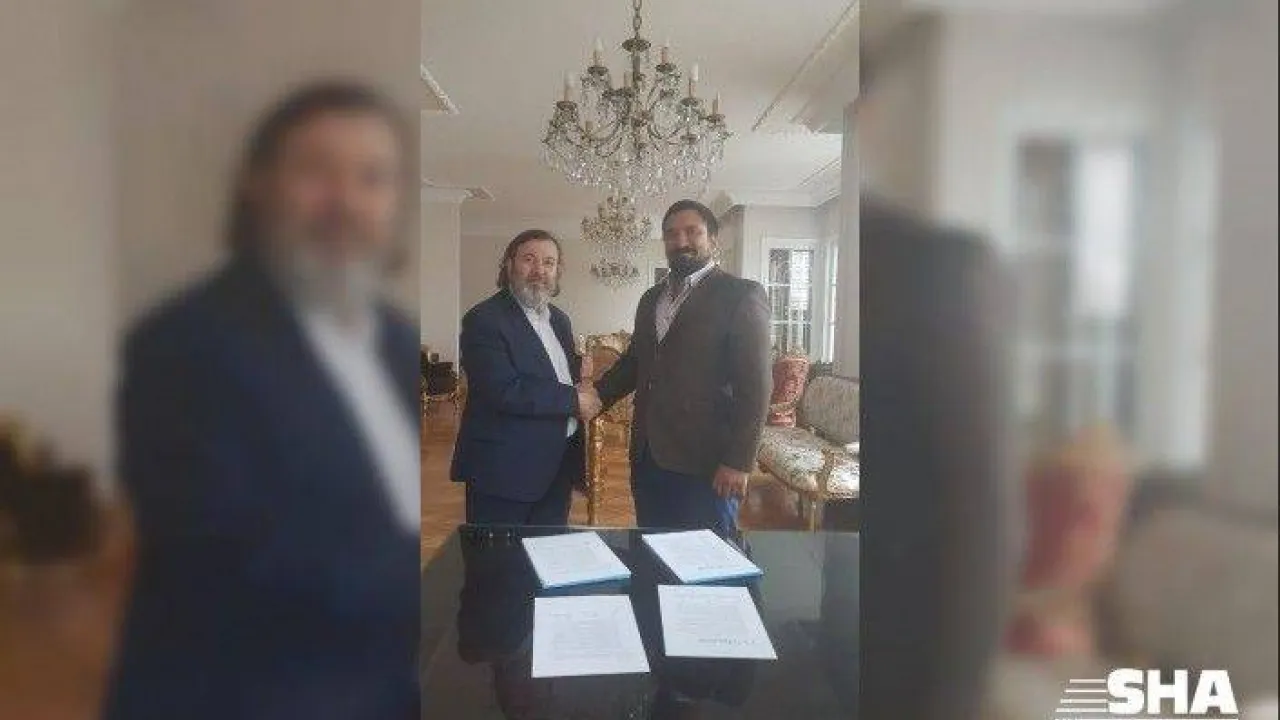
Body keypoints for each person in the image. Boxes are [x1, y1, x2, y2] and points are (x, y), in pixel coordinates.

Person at [106, 81, 419, 720]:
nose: (345, 201)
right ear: (257, 185)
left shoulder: (393, 337)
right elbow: (228, 567)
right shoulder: (183, 344)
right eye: (317, 171)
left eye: (372, 178)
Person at [593, 200, 772, 536]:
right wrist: (595, 396)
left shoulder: (741, 295)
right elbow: (636, 361)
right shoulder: (651, 298)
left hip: (707, 462)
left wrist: (738, 461)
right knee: (653, 546)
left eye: (692, 232)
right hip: (648, 455)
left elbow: (756, 386)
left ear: (713, 239)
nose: (681, 241)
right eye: (671, 234)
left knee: (706, 556)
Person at [451, 230, 597, 526]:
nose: (539, 270)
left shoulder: (560, 320)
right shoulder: (483, 319)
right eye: (529, 259)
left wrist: (584, 373)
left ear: (557, 271)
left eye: (549, 262)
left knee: (548, 548)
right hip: (505, 471)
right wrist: (575, 400)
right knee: (498, 554)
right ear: (509, 265)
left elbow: (553, 371)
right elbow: (503, 389)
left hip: (558, 464)